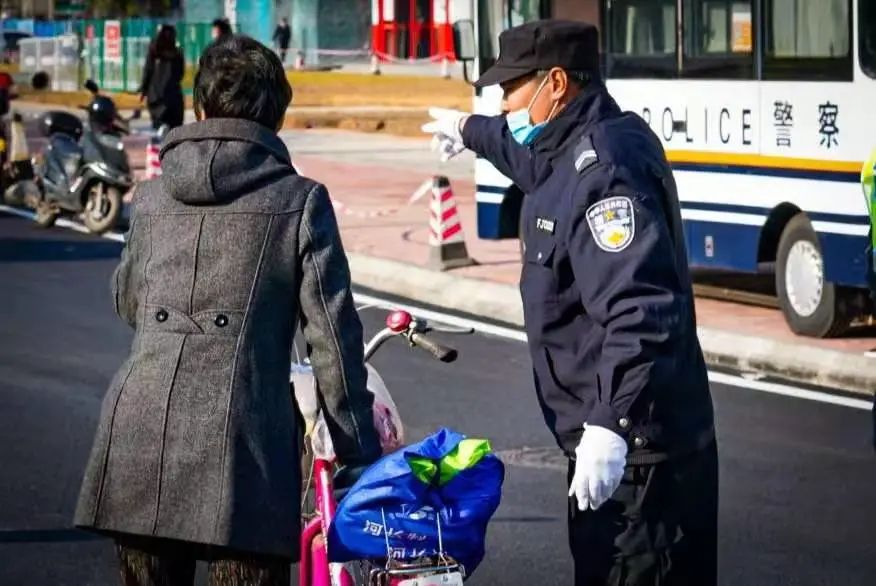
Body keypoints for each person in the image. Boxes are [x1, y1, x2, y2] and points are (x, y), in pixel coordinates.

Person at [74, 34, 381, 585]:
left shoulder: (151, 196)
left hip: (140, 432)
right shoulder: (299, 200)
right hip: (244, 445)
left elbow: (129, 303)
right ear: (277, 116)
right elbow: (332, 340)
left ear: (199, 106)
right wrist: (359, 452)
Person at [423, 20, 718, 585]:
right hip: (611, 449)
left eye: (510, 91)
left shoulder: (606, 170)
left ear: (554, 83)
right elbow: (525, 157)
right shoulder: (568, 147)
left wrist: (611, 425)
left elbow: (641, 311)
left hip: (641, 460)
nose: (504, 105)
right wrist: (469, 129)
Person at [139, 25, 185, 131]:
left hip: (156, 97)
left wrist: (144, 90)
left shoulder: (154, 50)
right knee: (175, 130)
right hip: (174, 98)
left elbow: (148, 70)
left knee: (159, 131)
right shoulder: (178, 52)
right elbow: (180, 74)